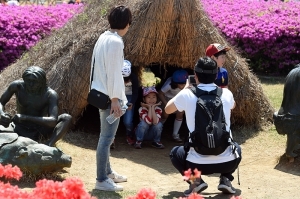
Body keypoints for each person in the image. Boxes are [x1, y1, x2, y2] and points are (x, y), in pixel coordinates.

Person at [166, 57, 241, 196]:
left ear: (195, 75)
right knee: (237, 148)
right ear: (216, 75)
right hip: (227, 162)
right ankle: (225, 179)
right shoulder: (226, 93)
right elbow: (233, 105)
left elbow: (167, 109)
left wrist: (186, 89)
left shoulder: (187, 94)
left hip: (196, 164)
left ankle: (196, 181)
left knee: (175, 153)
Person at [90, 5, 131, 192]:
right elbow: (115, 74)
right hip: (109, 97)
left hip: (100, 93)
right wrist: (115, 100)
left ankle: (107, 172)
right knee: (106, 138)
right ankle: (101, 179)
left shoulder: (103, 37)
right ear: (127, 24)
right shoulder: (116, 42)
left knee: (105, 137)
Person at [0, 66, 72, 147]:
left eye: (35, 81)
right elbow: (1, 102)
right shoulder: (17, 86)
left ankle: (49, 144)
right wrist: (2, 114)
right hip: (18, 127)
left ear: (42, 82)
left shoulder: (50, 95)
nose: (31, 84)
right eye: (28, 81)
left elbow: (53, 121)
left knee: (66, 118)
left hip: (39, 130)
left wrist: (25, 117)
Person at [158, 69, 188, 142]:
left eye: (184, 83)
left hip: (179, 99)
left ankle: (175, 134)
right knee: (165, 114)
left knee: (180, 113)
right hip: (167, 98)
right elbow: (160, 93)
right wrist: (166, 104)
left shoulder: (188, 86)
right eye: (181, 84)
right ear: (175, 83)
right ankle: (158, 130)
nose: (183, 86)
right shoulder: (169, 85)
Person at [122, 60, 139, 145]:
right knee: (113, 117)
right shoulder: (115, 77)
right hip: (117, 96)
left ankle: (129, 134)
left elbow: (136, 92)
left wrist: (132, 102)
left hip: (129, 97)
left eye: (126, 79)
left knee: (128, 121)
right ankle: (111, 136)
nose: (125, 81)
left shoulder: (133, 78)